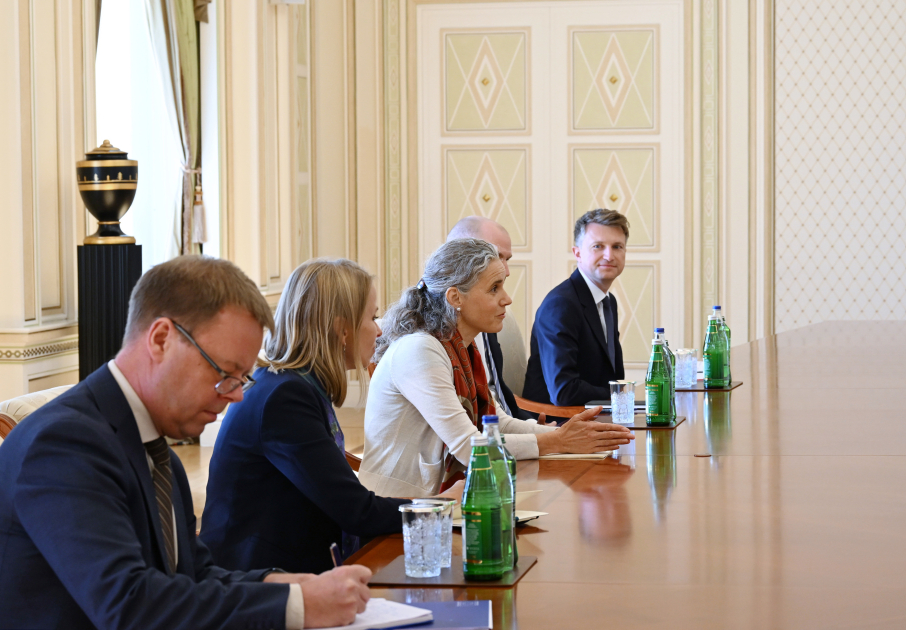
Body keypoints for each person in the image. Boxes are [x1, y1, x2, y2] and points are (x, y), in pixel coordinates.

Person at [0, 256, 371, 630]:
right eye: (225, 373)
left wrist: (286, 584)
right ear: (161, 339)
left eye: (242, 378)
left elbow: (195, 574)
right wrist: (295, 604)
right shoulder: (64, 444)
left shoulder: (158, 452)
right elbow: (128, 606)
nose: (236, 396)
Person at [200, 259, 461, 575]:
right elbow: (355, 511)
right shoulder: (284, 398)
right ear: (342, 330)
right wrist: (441, 506)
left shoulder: (292, 385)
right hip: (257, 583)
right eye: (372, 317)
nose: (379, 330)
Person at [359, 238, 633, 497]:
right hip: (398, 511)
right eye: (494, 288)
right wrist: (559, 441)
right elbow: (469, 448)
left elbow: (499, 425)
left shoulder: (462, 347)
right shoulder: (420, 349)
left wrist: (570, 436)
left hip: (443, 502)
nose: (507, 299)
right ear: (455, 297)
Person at [523, 209, 630, 406]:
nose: (609, 256)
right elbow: (564, 392)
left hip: (596, 413)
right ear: (577, 253)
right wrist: (620, 395)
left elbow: (611, 377)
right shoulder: (560, 305)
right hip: (555, 419)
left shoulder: (608, 301)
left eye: (617, 246)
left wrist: (622, 396)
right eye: (598, 246)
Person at [446, 216, 533, 420]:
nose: (506, 271)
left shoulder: (482, 314)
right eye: (494, 256)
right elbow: (462, 434)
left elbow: (495, 400)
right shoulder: (429, 344)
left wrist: (538, 429)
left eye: (506, 259)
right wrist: (540, 436)